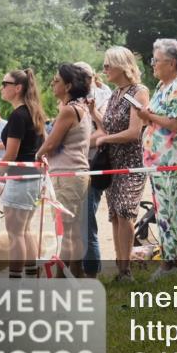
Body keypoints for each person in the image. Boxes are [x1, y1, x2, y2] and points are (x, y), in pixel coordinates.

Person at [138, 39, 177, 279]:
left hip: (173, 162)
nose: (152, 65)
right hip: (159, 162)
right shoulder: (163, 85)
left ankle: (169, 264)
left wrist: (149, 116)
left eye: (156, 60)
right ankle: (171, 261)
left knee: (169, 213)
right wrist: (147, 117)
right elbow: (158, 118)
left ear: (172, 63)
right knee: (164, 212)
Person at [91, 46, 149, 281]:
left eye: (108, 65)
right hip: (113, 161)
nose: (104, 70)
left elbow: (134, 132)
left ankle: (125, 268)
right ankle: (121, 266)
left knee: (125, 211)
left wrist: (104, 138)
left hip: (132, 162)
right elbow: (108, 126)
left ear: (121, 66)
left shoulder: (138, 92)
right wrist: (93, 113)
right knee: (115, 214)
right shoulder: (116, 93)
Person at [35, 64, 93, 276]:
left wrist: (36, 156)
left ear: (68, 85)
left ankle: (63, 277)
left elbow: (50, 143)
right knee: (72, 229)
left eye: (56, 80)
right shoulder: (79, 108)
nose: (52, 83)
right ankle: (76, 274)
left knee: (67, 230)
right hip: (74, 173)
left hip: (67, 174)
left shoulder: (69, 110)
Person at [0, 69, 47, 279]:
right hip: (32, 176)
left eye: (4, 83)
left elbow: (11, 153)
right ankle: (30, 278)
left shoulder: (18, 115)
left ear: (17, 88)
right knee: (25, 230)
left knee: (16, 233)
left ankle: (17, 282)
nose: (1, 87)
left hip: (20, 177)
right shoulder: (32, 111)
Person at [74, 61, 109, 279]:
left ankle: (91, 273)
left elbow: (103, 131)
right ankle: (78, 270)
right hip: (76, 165)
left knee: (86, 223)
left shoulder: (102, 96)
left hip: (93, 163)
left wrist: (76, 143)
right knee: (76, 224)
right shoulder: (73, 99)